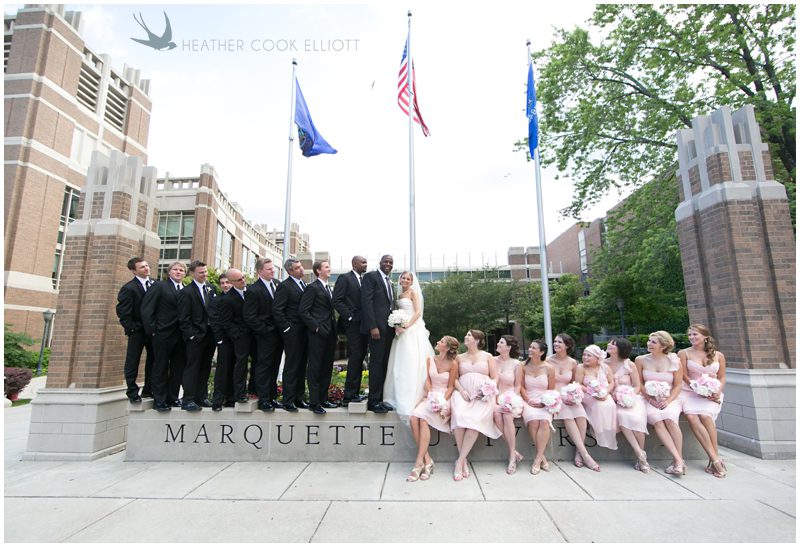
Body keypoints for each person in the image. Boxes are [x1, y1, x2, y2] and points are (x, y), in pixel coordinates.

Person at [450, 330, 501, 481]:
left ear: (477, 340)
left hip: (482, 397)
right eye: (466, 335)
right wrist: (462, 391)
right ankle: (463, 460)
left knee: (474, 423)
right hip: (463, 395)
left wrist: (489, 388)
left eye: (469, 335)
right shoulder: (459, 357)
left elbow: (495, 377)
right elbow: (454, 379)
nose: (465, 337)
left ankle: (459, 461)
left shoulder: (487, 356)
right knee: (459, 417)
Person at [407, 336, 458, 482]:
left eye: (441, 342)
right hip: (430, 395)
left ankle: (418, 463)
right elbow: (428, 380)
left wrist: (442, 401)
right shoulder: (430, 359)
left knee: (423, 421)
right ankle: (427, 460)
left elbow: (451, 386)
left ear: (447, 348)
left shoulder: (453, 364)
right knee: (413, 418)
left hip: (444, 399)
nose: (437, 342)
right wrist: (430, 395)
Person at [679, 324, 727, 478]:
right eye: (690, 335)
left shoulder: (718, 355)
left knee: (706, 417)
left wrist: (716, 391)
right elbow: (684, 376)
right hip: (689, 391)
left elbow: (722, 377)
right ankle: (716, 460)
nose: (692, 337)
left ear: (705, 336)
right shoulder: (683, 353)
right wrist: (697, 389)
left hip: (712, 392)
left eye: (695, 335)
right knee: (692, 417)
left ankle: (714, 457)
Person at [384, 271, 433, 422]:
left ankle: (414, 396)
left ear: (411, 282)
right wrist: (397, 325)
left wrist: (406, 325)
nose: (405, 280)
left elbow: (418, 312)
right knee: (399, 363)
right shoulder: (398, 296)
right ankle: (396, 395)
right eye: (403, 278)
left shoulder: (412, 293)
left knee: (412, 362)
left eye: (408, 278)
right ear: (399, 280)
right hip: (400, 332)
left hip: (412, 330)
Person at [636, 330, 685, 476]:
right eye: (649, 341)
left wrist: (668, 400)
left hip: (670, 398)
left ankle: (677, 461)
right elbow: (639, 383)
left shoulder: (674, 361)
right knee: (658, 421)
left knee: (670, 420)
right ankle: (679, 461)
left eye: (653, 342)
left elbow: (678, 385)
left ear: (663, 346)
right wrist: (650, 399)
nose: (648, 344)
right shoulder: (640, 360)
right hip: (648, 400)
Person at [549, 333, 599, 471]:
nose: (556, 344)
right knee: (568, 417)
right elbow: (547, 385)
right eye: (555, 341)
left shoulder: (573, 363)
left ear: (567, 345)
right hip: (554, 396)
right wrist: (560, 396)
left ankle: (578, 452)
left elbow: (574, 383)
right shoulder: (548, 361)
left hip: (569, 395)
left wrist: (573, 395)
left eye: (559, 342)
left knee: (581, 416)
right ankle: (585, 454)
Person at [141, 261, 186, 412]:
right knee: (160, 367)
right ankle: (159, 400)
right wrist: (152, 330)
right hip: (162, 333)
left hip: (181, 336)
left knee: (177, 368)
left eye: (181, 270)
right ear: (169, 272)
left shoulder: (185, 289)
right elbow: (147, 309)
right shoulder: (160, 286)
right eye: (175, 269)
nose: (178, 272)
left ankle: (172, 398)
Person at [299, 259, 339, 414]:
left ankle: (323, 399)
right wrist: (316, 327)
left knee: (326, 367)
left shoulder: (328, 288)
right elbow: (303, 311)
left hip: (330, 334)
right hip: (317, 334)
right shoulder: (312, 288)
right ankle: (314, 402)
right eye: (327, 267)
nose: (330, 269)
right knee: (315, 367)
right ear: (318, 271)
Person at [177, 260, 218, 411]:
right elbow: (183, 318)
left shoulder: (211, 288)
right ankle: (188, 399)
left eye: (206, 272)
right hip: (195, 337)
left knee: (205, 367)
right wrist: (192, 335)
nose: (205, 275)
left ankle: (202, 397)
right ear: (193, 274)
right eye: (201, 272)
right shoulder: (186, 292)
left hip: (209, 336)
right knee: (192, 367)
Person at [243, 258, 283, 411]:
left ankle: (272, 396)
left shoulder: (277, 285)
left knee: (275, 366)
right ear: (260, 272)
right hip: (264, 336)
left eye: (273, 268)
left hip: (278, 335)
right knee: (263, 367)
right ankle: (263, 399)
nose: (273, 271)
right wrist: (265, 331)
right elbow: (250, 316)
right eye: (269, 269)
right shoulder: (253, 290)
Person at [606, 337, 650, 473]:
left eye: (613, 344)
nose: (609, 345)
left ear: (621, 348)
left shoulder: (629, 365)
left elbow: (637, 386)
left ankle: (640, 456)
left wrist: (629, 396)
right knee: (621, 415)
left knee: (636, 419)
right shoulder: (603, 364)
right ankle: (641, 454)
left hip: (631, 399)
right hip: (612, 399)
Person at [116, 257, 155, 402]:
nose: (146, 269)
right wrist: (132, 328)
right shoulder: (128, 288)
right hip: (137, 331)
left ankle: (148, 390)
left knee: (154, 360)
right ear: (133, 271)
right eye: (142, 267)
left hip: (152, 331)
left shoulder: (155, 284)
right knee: (133, 361)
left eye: (146, 265)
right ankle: (132, 391)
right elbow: (123, 312)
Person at [361, 254, 396, 413]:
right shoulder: (371, 277)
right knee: (376, 363)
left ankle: (381, 398)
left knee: (384, 364)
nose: (388, 264)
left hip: (389, 329)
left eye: (390, 262)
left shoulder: (390, 282)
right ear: (380, 263)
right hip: (377, 330)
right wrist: (372, 327)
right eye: (385, 261)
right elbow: (366, 302)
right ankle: (373, 401)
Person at [273, 258, 309, 412]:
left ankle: (299, 398)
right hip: (292, 332)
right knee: (292, 366)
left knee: (302, 366)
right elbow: (277, 309)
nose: (301, 269)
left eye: (301, 267)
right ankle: (288, 400)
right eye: (297, 268)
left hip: (304, 331)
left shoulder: (303, 285)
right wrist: (287, 328)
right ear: (290, 271)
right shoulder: (284, 286)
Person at [332, 255, 369, 405]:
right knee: (355, 357)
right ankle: (348, 396)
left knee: (360, 357)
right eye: (363, 262)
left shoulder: (363, 280)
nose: (366, 264)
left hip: (362, 325)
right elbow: (337, 300)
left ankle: (354, 393)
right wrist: (349, 317)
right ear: (355, 264)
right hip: (352, 325)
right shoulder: (345, 278)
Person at [575, 344, 618, 468]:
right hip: (587, 394)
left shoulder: (605, 367)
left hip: (604, 393)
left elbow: (611, 382)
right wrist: (592, 392)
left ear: (597, 357)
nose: (585, 357)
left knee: (609, 405)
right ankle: (595, 432)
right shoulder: (580, 368)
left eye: (589, 355)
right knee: (598, 406)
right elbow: (578, 384)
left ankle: (606, 431)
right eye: (584, 354)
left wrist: (605, 392)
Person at [213, 269, 248, 411]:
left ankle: (235, 396)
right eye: (239, 280)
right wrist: (238, 335)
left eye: (243, 277)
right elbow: (225, 322)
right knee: (228, 368)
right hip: (233, 339)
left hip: (248, 336)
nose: (243, 280)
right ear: (233, 283)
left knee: (242, 365)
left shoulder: (249, 293)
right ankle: (225, 398)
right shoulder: (226, 299)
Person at [521, 340, 555, 475]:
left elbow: (551, 389)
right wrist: (528, 400)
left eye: (533, 348)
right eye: (530, 347)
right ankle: (542, 457)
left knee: (544, 422)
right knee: (533, 421)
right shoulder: (522, 366)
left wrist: (544, 402)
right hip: (528, 399)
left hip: (544, 400)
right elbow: (521, 386)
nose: (530, 349)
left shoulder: (549, 368)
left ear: (541, 352)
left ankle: (538, 458)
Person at [492, 335, 524, 474]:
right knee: (496, 414)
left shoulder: (517, 364)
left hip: (511, 397)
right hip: (495, 397)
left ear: (509, 347)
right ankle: (514, 451)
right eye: (499, 341)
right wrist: (496, 398)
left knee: (507, 416)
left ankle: (512, 457)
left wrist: (511, 399)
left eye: (501, 342)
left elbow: (517, 386)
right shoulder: (492, 361)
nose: (498, 343)